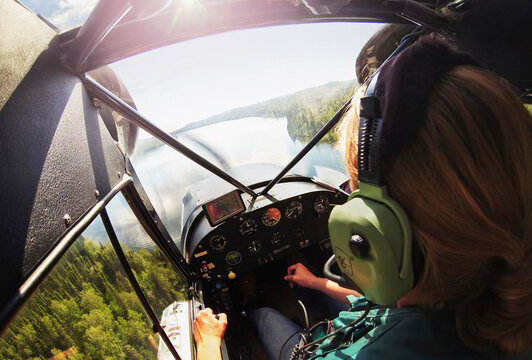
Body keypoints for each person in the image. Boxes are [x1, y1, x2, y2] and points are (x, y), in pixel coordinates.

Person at [193, 35, 532, 359]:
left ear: (387, 227)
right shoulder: (463, 285)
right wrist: (318, 283)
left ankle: (250, 303)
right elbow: (382, 308)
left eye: (355, 192)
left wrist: (209, 343)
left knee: (265, 314)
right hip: (371, 324)